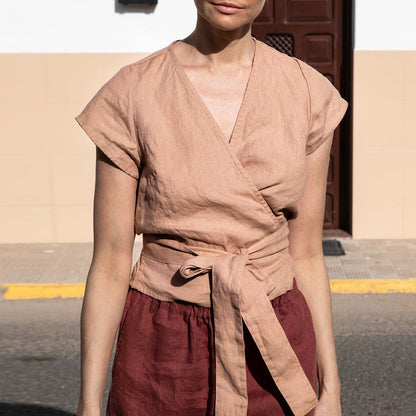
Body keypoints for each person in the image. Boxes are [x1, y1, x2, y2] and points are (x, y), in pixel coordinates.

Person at [75, 1, 348, 415]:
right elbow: (111, 261)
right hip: (160, 347)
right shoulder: (132, 92)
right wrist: (89, 404)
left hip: (274, 341)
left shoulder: (308, 93)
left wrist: (331, 386)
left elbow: (306, 255)